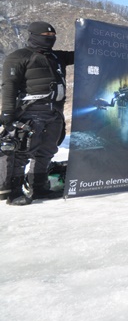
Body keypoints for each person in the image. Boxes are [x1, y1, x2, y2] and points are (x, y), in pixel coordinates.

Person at [1, 21, 74, 205]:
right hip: (30, 112)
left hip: (55, 112)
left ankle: (39, 188)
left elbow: (82, 55)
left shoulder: (57, 57)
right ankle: (14, 192)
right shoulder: (18, 57)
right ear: (32, 35)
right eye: (45, 36)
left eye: (52, 36)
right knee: (22, 152)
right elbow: (9, 86)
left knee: (47, 151)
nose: (49, 39)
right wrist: (7, 112)